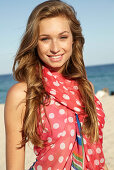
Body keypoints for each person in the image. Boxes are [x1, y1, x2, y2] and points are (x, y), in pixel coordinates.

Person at [4, 0, 108, 169]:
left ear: (73, 40)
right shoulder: (22, 93)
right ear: (34, 43)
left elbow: (98, 153)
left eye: (63, 37)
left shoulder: (85, 87)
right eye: (45, 39)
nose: (55, 48)